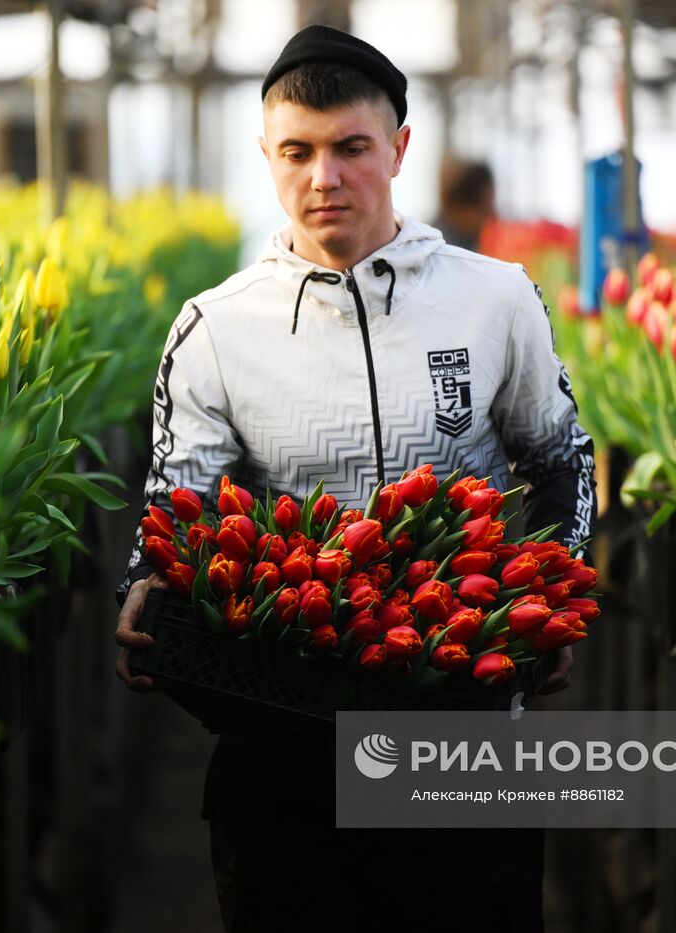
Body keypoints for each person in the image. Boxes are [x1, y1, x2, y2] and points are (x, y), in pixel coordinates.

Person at [113, 24, 595, 932]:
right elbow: (177, 504)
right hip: (278, 733)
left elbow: (559, 456)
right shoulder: (215, 327)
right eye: (296, 152)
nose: (323, 178)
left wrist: (549, 595)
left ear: (401, 148)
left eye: (351, 149)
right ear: (265, 154)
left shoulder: (495, 297)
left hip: (462, 723)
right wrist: (141, 578)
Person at [432, 157, 497, 251]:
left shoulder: (470, 240)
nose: (492, 214)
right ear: (462, 209)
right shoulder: (438, 251)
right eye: (485, 208)